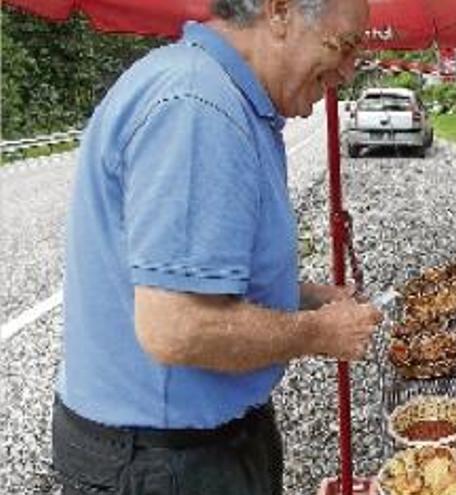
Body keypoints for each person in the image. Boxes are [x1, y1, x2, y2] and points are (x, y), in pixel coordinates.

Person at [52, 0, 381, 493]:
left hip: (184, 447)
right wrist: (317, 333)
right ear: (280, 11)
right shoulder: (197, 107)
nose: (350, 69)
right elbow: (176, 327)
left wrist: (304, 296)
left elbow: (202, 271)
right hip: (162, 461)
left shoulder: (217, 91)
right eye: (346, 45)